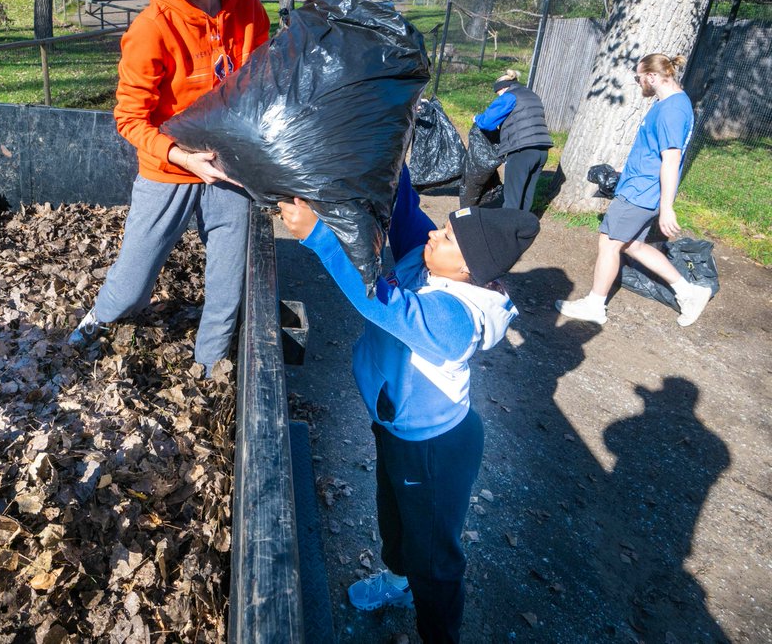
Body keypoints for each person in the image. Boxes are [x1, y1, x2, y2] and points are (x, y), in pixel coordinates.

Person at [280, 166, 540, 644]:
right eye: (442, 228)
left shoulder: (455, 319)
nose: (434, 235)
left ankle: (439, 633)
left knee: (434, 557)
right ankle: (397, 583)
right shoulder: (435, 260)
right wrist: (393, 149)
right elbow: (404, 212)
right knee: (393, 516)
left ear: (467, 271)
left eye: (446, 238)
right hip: (400, 428)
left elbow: (382, 303)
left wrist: (318, 235)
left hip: (435, 448)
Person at [67, 0, 271, 369]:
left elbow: (262, 88)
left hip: (229, 169)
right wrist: (181, 156)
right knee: (133, 284)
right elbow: (129, 118)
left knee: (228, 287)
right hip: (169, 169)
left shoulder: (248, 11)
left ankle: (209, 369)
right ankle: (94, 325)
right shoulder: (152, 28)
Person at [556, 53, 712, 327]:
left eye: (638, 78)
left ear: (652, 77)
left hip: (642, 192)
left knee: (609, 243)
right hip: (639, 185)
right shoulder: (670, 102)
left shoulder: (672, 110)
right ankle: (690, 292)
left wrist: (666, 206)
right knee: (633, 245)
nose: (638, 82)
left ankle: (595, 305)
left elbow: (671, 159)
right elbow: (654, 151)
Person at [472, 69, 552, 212]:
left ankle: (507, 230)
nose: (498, 96)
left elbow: (487, 122)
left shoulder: (509, 96)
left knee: (512, 197)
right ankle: (522, 227)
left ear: (502, 88)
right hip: (542, 150)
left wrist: (476, 118)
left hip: (522, 151)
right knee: (527, 196)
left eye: (498, 93)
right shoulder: (531, 95)